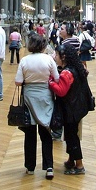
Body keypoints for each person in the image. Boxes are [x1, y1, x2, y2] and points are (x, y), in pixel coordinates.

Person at [15, 33, 60, 180]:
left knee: (30, 133)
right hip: (45, 97)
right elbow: (57, 78)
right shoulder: (48, 59)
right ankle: (49, 167)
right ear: (42, 45)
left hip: (29, 97)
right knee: (46, 132)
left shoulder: (24, 60)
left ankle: (30, 167)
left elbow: (18, 82)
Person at [49, 43, 92, 175]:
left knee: (72, 136)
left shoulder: (67, 72)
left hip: (71, 109)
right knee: (70, 134)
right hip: (77, 107)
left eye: (56, 55)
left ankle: (79, 165)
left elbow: (61, 91)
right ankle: (71, 160)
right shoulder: (76, 68)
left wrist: (50, 83)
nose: (54, 57)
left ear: (64, 57)